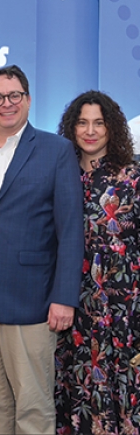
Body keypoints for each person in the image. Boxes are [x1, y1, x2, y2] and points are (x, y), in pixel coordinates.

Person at [0, 64, 84, 435]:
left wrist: (65, 298)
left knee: (33, 405)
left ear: (27, 99)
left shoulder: (56, 150)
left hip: (34, 298)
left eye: (14, 96)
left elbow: (71, 230)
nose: (6, 103)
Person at [55, 91, 140, 435]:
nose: (90, 131)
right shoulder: (60, 176)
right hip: (71, 304)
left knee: (124, 387)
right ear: (71, 128)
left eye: (99, 123)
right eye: (82, 123)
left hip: (124, 309)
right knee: (76, 385)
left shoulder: (132, 178)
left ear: (112, 128)